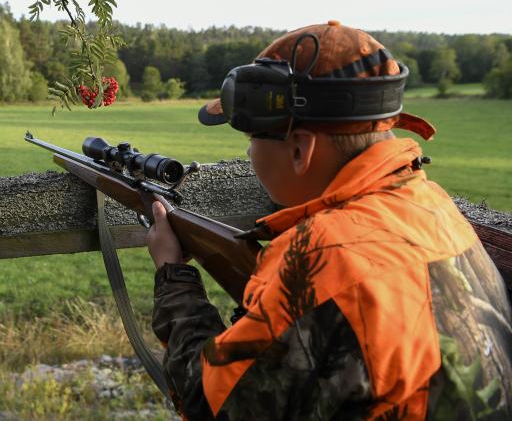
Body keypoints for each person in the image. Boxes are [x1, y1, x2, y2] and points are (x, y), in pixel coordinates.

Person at [146, 21, 512, 420]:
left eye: (251, 138)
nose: (250, 153)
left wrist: (172, 274)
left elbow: (214, 405)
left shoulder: (325, 256)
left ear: (301, 150)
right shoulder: (433, 206)